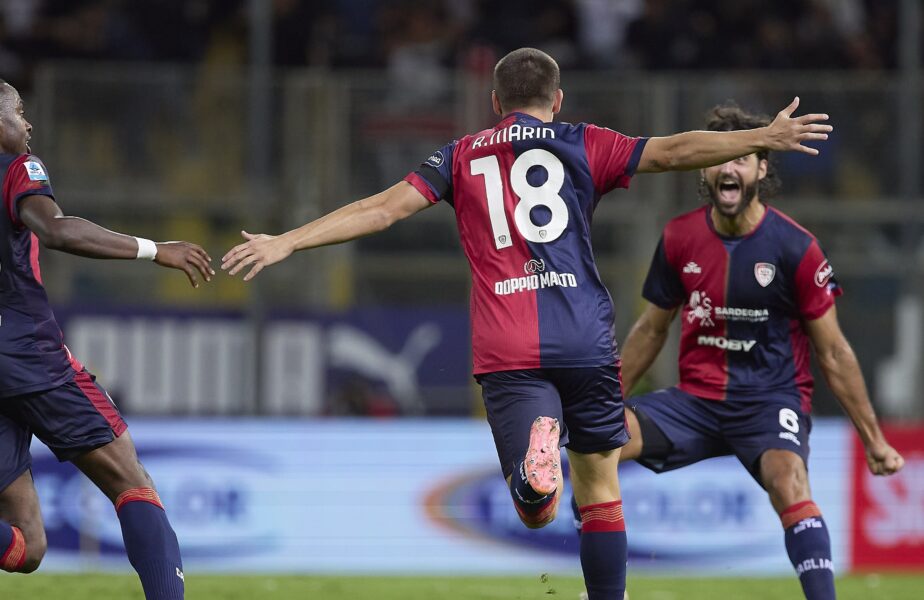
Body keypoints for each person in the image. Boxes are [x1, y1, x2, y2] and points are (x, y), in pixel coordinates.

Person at [220, 48, 832, 599]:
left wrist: (288, 242)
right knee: (599, 485)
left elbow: (381, 211)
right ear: (556, 98)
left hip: (509, 342)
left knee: (538, 509)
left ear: (494, 103)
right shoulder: (585, 140)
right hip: (587, 338)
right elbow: (674, 151)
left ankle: (540, 450)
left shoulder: (459, 155)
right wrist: (764, 137)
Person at [569, 103, 904, 600]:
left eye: (744, 157)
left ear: (761, 168)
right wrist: (605, 408)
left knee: (789, 481)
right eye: (722, 158)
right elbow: (651, 330)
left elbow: (833, 352)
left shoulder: (796, 248)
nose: (729, 168)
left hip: (770, 402)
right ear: (706, 168)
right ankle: (602, 588)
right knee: (594, 448)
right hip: (694, 404)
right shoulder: (680, 237)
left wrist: (874, 440)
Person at [0, 80, 213, 599]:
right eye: (18, 111)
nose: (28, 124)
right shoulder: (14, 168)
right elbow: (57, 230)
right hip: (26, 353)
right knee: (131, 480)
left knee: (26, 547)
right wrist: (153, 248)